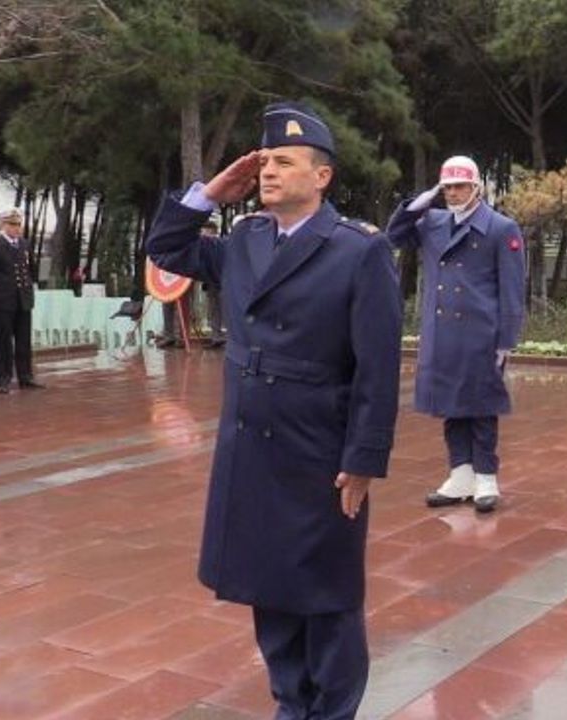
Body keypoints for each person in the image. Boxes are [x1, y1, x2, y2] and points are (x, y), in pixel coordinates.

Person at [146, 101, 402, 720]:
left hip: (318, 449)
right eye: (264, 162)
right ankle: (290, 705)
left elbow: (378, 367)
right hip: (252, 446)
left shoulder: (358, 250)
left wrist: (364, 459)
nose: (268, 171)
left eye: (284, 162)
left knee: (327, 595)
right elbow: (166, 249)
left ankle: (333, 710)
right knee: (270, 587)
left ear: (322, 176)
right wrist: (210, 193)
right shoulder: (246, 239)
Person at [387, 156, 526, 513]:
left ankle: (486, 477)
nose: (452, 193)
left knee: (480, 406)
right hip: (442, 330)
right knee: (451, 404)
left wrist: (507, 339)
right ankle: (460, 472)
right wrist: (419, 202)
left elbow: (512, 289)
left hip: (481, 331)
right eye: (446, 187)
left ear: (476, 187)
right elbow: (395, 235)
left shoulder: (500, 228)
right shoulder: (433, 222)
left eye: (460, 186)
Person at [0, 209, 42, 393]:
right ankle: (3, 377)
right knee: (3, 341)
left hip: (23, 299)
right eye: (12, 224)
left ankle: (25, 376)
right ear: (3, 225)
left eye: (18, 224)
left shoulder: (24, 244)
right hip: (4, 300)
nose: (16, 228)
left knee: (23, 340)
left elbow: (30, 268)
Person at [200, 219, 226, 348]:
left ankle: (221, 336)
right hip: (213, 282)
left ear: (213, 232)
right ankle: (216, 336)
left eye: (205, 232)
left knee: (221, 309)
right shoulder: (206, 246)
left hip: (222, 282)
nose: (203, 235)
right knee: (214, 309)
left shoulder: (219, 245)